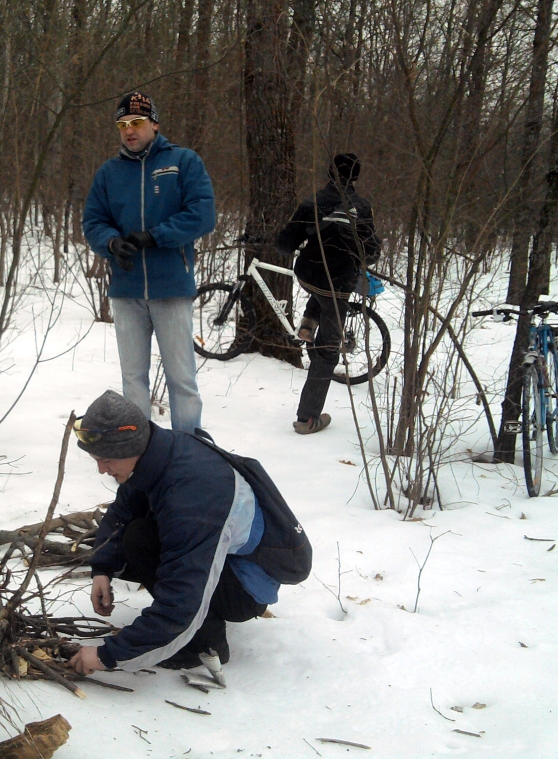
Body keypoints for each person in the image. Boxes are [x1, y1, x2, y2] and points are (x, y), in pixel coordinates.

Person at [67, 390, 283, 675]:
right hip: (224, 562)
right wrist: (102, 569)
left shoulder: (192, 495)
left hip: (246, 589)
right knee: (138, 531)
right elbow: (122, 511)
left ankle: (205, 644)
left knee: (143, 540)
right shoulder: (157, 453)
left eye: (106, 459)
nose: (101, 469)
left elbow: (183, 601)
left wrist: (108, 655)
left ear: (129, 448)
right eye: (96, 459)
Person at [82, 92, 216, 435]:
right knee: (133, 379)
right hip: (126, 290)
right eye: (123, 125)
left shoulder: (183, 161)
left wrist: (154, 236)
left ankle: (188, 445)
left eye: (137, 123)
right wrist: (111, 243)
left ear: (154, 124)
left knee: (181, 378)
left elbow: (202, 215)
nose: (130, 130)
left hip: (171, 287)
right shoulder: (109, 173)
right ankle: (138, 448)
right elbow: (93, 221)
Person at [276, 153, 381, 435]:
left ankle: (309, 322)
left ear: (329, 173)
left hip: (307, 275)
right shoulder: (361, 207)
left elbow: (285, 244)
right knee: (327, 353)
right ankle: (307, 419)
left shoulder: (312, 201)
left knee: (320, 291)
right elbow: (372, 252)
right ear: (356, 177)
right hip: (338, 285)